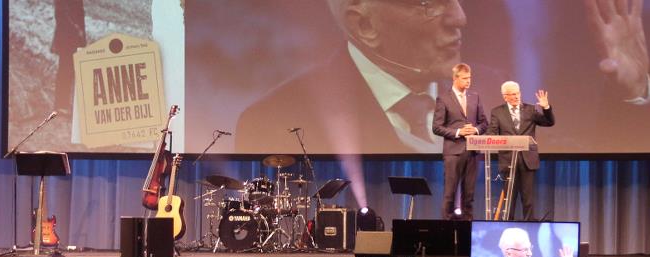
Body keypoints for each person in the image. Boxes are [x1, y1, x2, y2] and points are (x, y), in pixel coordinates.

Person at [236, 0, 472, 154]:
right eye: (428, 5)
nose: (459, 18)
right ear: (364, 24)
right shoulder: (273, 122)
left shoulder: (494, 90)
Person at [488, 81, 554, 221]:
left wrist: (546, 107)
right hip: (508, 161)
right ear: (505, 96)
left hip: (527, 160)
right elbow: (492, 134)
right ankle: (507, 227)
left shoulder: (530, 110)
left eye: (518, 93)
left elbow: (549, 122)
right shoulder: (497, 112)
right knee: (509, 201)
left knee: (528, 200)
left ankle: (529, 227)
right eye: (512, 94)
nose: (517, 96)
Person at [433, 63, 487, 220]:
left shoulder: (475, 97)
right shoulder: (443, 98)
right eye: (464, 78)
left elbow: (484, 123)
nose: (468, 81)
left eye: (469, 78)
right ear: (455, 78)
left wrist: (475, 130)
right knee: (449, 194)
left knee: (469, 195)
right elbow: (437, 127)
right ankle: (447, 231)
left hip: (472, 152)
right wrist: (458, 132)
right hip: (453, 153)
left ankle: (467, 231)